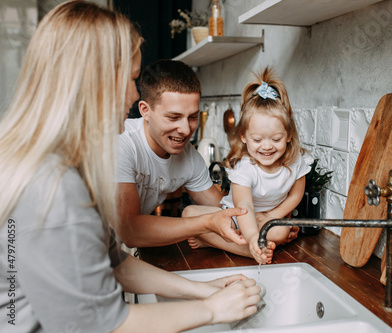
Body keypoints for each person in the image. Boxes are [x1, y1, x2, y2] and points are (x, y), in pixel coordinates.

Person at [0, 2, 260, 332]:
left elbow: (116, 263)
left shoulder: (67, 166)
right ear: (96, 82)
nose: (136, 94)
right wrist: (211, 310)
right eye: (134, 79)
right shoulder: (54, 188)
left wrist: (205, 290)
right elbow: (104, 326)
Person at [115, 59, 299, 249]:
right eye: (173, 117)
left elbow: (222, 208)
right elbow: (130, 231)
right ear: (145, 110)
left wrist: (270, 223)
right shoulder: (121, 143)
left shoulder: (188, 157)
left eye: (193, 117)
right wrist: (207, 223)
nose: (186, 130)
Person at [183, 67, 313, 264]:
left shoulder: (295, 162)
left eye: (276, 139)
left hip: (266, 221)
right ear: (243, 136)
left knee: (280, 231)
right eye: (258, 139)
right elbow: (243, 206)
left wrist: (271, 215)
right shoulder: (245, 167)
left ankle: (213, 241)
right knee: (188, 214)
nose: (267, 146)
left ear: (289, 135)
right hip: (235, 217)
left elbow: (296, 194)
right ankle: (248, 249)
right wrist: (252, 237)